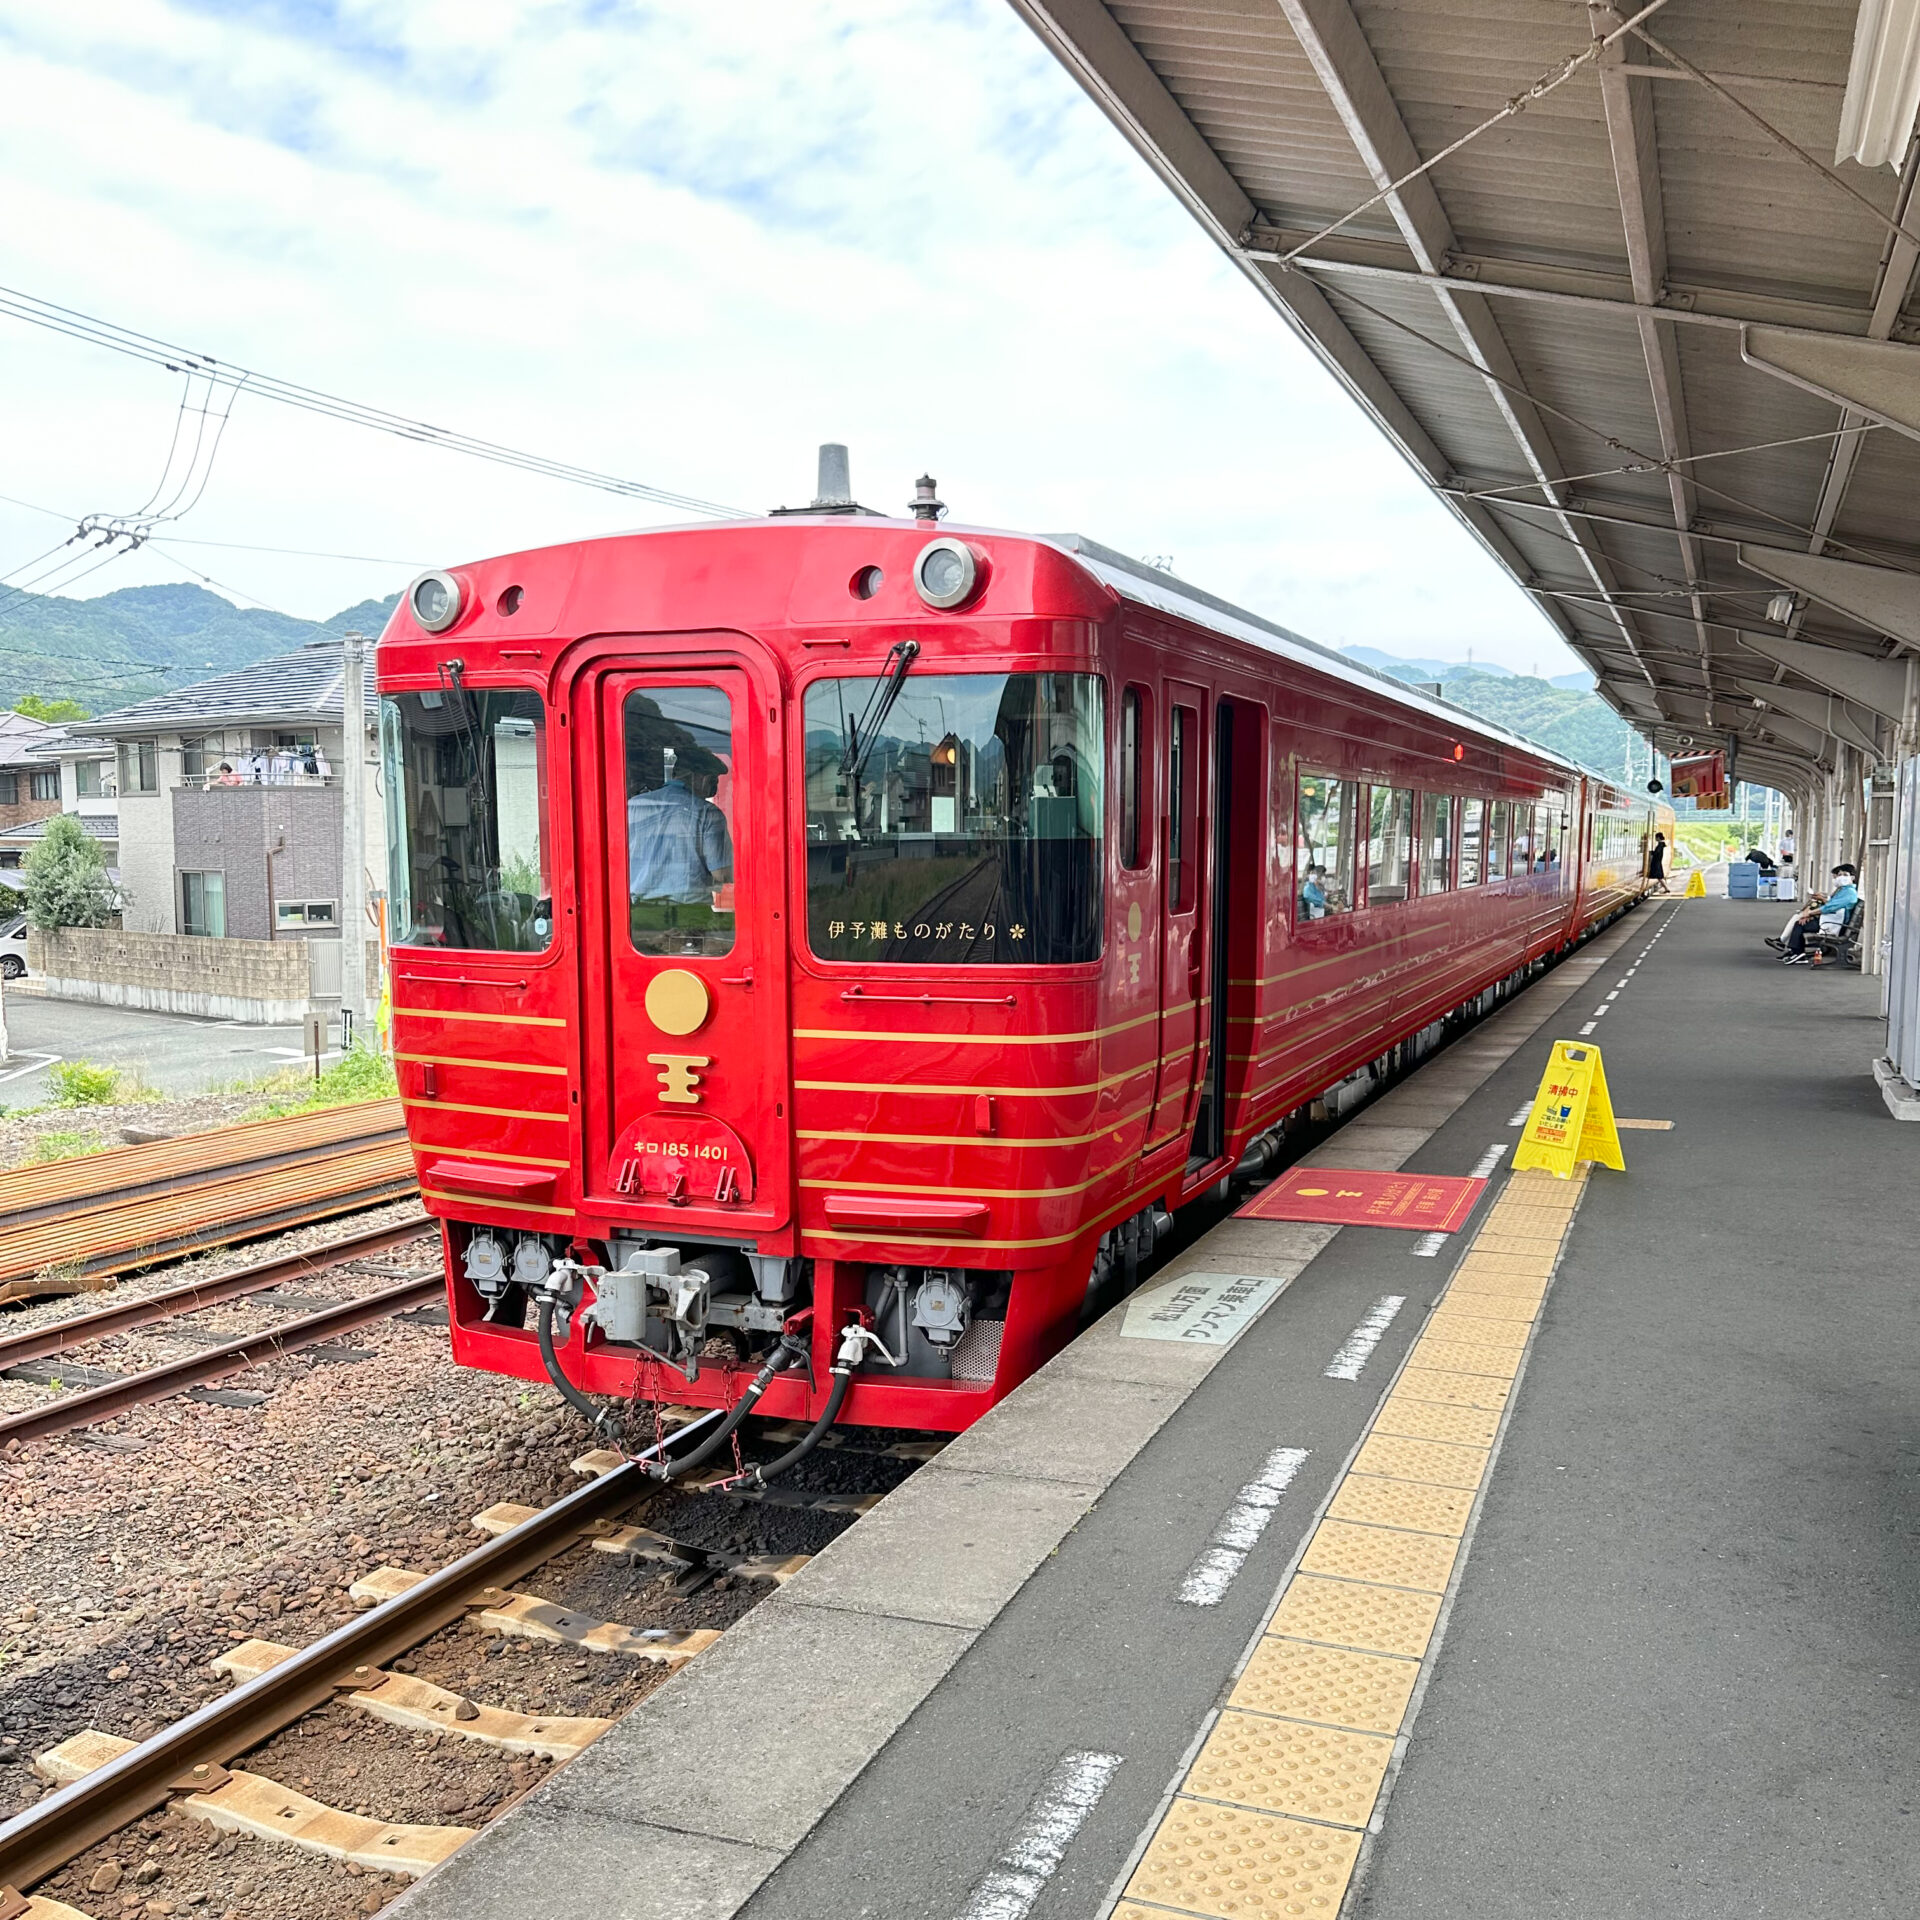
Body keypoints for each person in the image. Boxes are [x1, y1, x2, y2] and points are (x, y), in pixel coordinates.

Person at [1769, 863, 1859, 964]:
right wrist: (1810, 914)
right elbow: (1830, 906)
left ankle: (1797, 952)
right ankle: (1794, 951)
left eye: (1845, 875)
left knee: (1800, 924)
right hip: (1831, 920)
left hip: (1834, 925)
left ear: (1852, 877)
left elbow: (1830, 907)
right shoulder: (1844, 890)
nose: (1841, 877)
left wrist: (1810, 913)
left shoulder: (1849, 893)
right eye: (1840, 875)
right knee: (1800, 922)